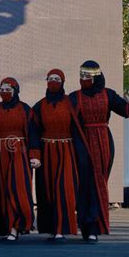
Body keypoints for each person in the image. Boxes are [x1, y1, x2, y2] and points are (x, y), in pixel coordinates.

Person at [69, 60, 129, 243]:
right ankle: (85, 224)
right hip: (82, 144)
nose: (83, 80)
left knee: (99, 183)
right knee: (84, 184)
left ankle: (94, 227)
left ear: (96, 77)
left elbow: (128, 111)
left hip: (104, 142)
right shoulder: (74, 97)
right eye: (81, 76)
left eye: (87, 77)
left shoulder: (108, 95)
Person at [31, 69, 87, 243]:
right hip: (47, 152)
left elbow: (79, 128)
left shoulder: (71, 103)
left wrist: (81, 154)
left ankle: (63, 229)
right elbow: (33, 132)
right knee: (48, 191)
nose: (53, 82)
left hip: (67, 152)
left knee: (64, 190)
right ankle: (52, 229)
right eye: (50, 79)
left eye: (57, 79)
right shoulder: (39, 106)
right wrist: (35, 155)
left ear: (62, 82)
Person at [0, 77, 36, 243]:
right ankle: (7, 228)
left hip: (19, 154)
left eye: (8, 90)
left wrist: (34, 156)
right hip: (0, 155)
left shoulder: (25, 109)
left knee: (17, 189)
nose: (4, 93)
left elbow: (33, 133)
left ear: (15, 91)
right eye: (2, 89)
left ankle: (18, 226)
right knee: (2, 191)